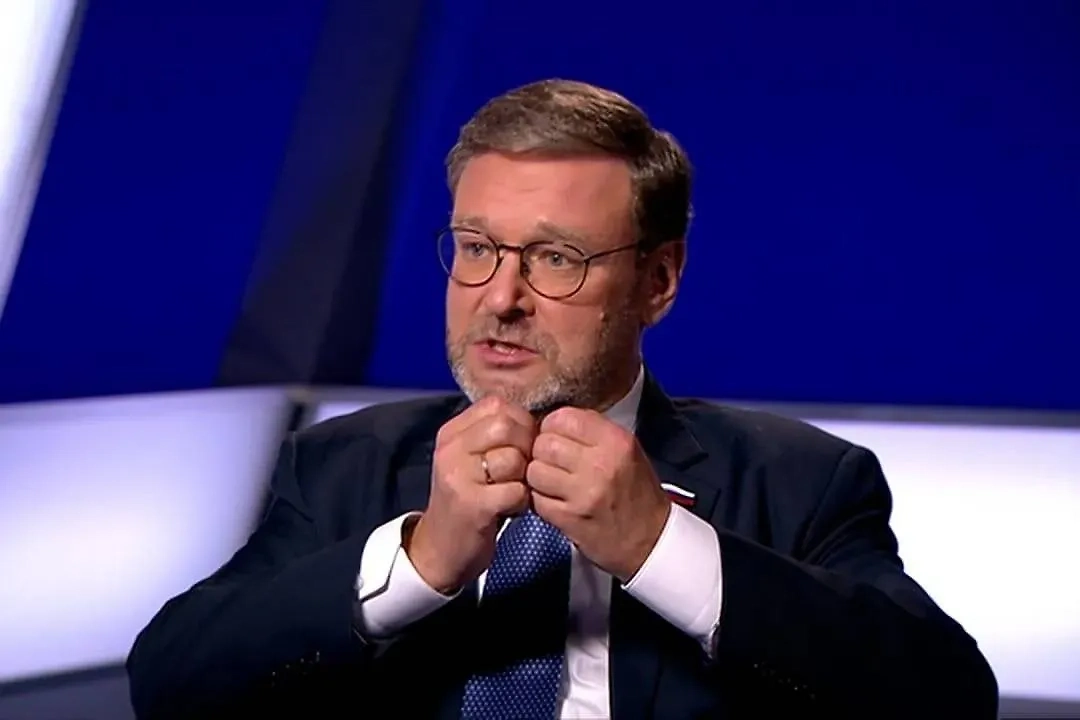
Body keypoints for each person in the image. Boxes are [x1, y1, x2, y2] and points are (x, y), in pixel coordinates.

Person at [126, 78, 997, 719]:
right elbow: (172, 682)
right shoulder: (342, 465)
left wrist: (660, 547)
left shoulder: (800, 480)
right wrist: (419, 561)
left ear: (658, 281)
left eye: (555, 259)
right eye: (476, 248)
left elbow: (947, 699)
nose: (501, 297)